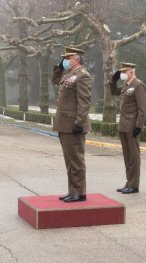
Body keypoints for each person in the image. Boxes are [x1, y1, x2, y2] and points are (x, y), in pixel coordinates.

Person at [52, 46, 92, 203]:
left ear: (77, 59)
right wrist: (59, 67)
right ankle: (73, 191)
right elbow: (55, 80)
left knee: (76, 160)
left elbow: (85, 101)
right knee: (69, 161)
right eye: (65, 58)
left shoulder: (83, 76)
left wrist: (79, 122)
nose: (65, 60)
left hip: (74, 124)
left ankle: (80, 192)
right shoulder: (69, 74)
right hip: (64, 124)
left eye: (68, 58)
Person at [109, 62, 146, 194]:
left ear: (131, 71)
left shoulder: (138, 85)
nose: (122, 74)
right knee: (127, 156)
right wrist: (113, 81)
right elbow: (114, 92)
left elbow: (142, 109)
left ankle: (134, 184)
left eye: (124, 72)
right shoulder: (126, 85)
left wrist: (138, 126)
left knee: (134, 156)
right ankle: (129, 182)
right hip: (124, 125)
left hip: (132, 126)